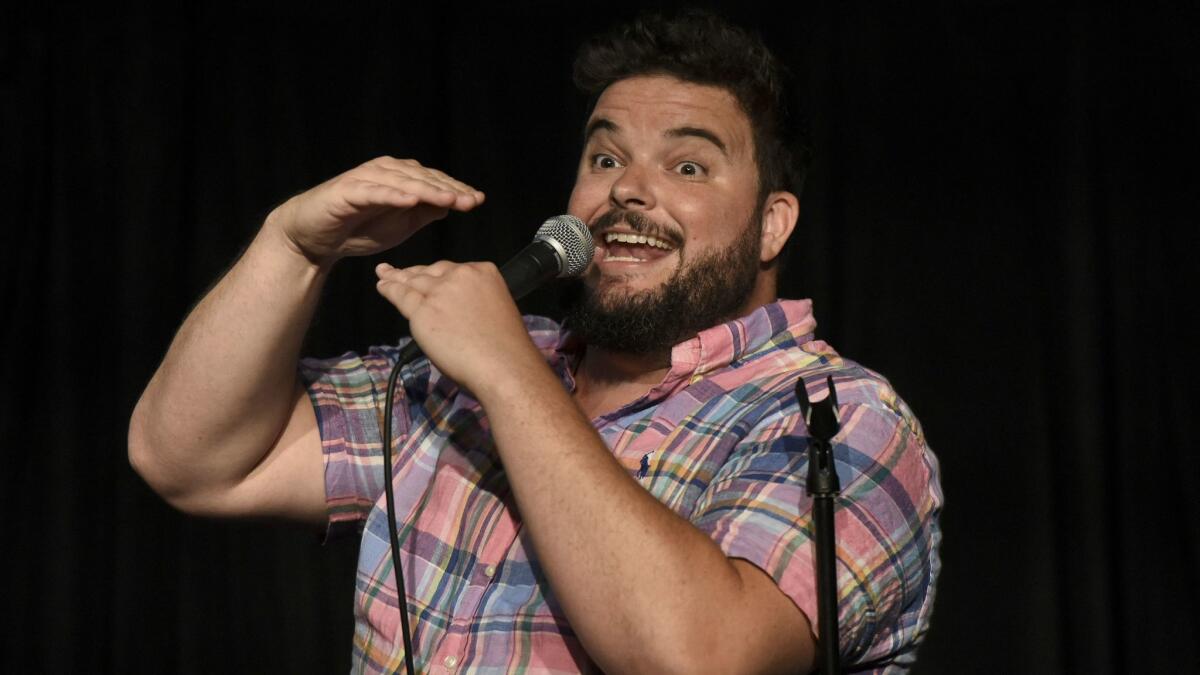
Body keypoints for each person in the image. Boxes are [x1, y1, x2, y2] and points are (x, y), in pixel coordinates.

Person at [129, 11, 942, 675]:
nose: (627, 187)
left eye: (688, 167)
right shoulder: (456, 381)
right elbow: (191, 458)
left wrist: (511, 375)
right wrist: (290, 250)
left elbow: (703, 656)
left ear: (773, 223)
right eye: (605, 155)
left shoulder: (841, 419)